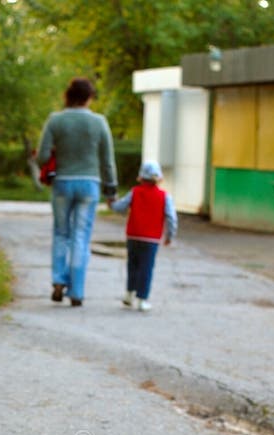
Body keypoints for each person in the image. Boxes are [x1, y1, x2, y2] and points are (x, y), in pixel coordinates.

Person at [36, 76, 118, 307]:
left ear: (68, 95)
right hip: (90, 185)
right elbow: (107, 161)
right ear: (89, 98)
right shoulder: (99, 122)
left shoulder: (56, 121)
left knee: (61, 233)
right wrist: (111, 190)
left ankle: (58, 281)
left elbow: (42, 156)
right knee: (81, 237)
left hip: (63, 183)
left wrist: (55, 155)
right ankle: (77, 291)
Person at [109, 160, 177, 312]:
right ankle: (142, 298)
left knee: (132, 265)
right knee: (146, 267)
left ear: (140, 177)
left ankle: (128, 294)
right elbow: (171, 217)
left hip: (133, 235)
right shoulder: (165, 197)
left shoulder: (134, 192)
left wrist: (112, 203)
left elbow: (120, 207)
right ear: (159, 178)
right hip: (151, 238)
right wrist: (170, 235)